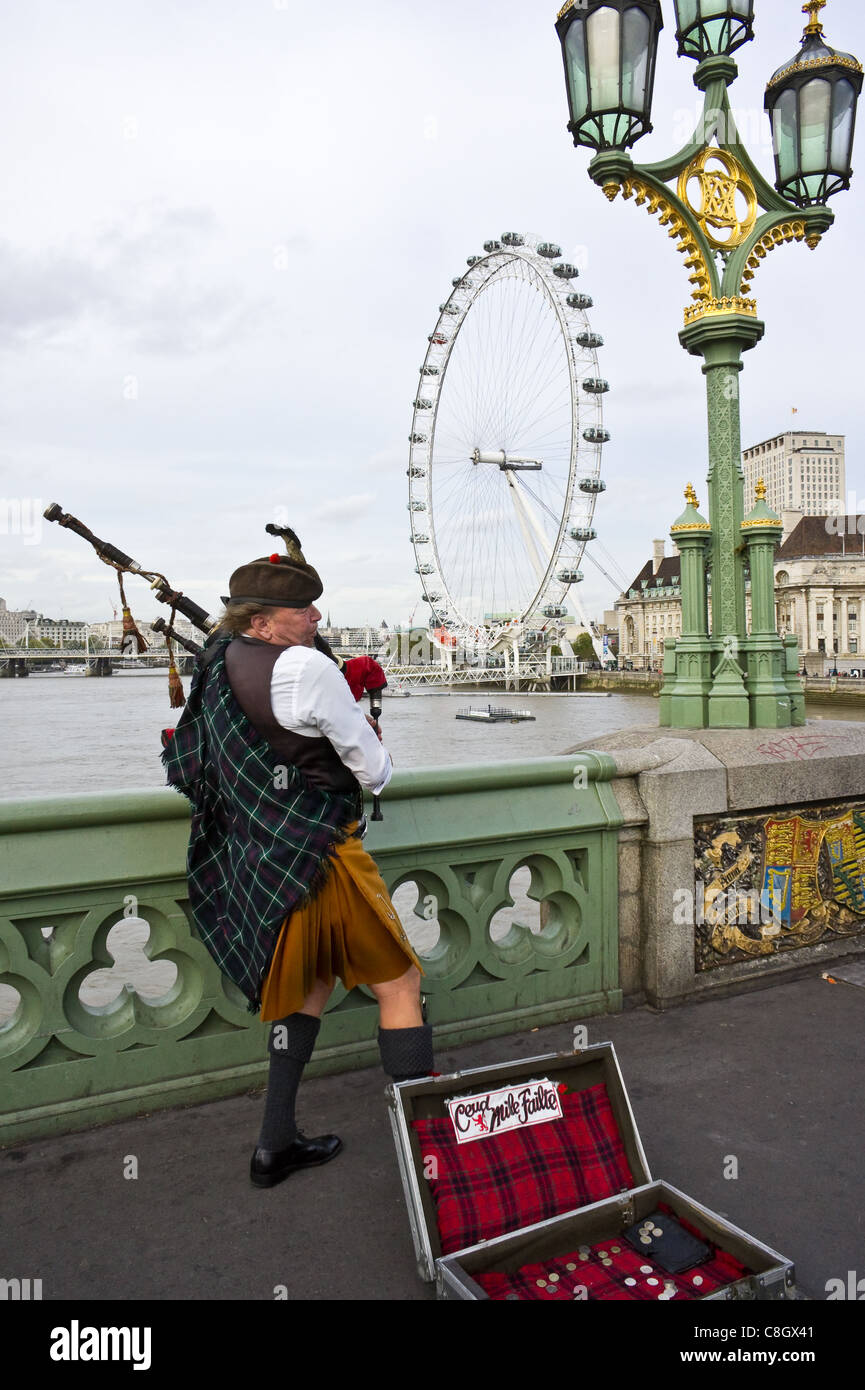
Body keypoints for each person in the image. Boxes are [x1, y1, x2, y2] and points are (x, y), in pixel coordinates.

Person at [162, 532, 433, 1189]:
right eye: (303, 611)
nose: (317, 618)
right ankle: (432, 1147)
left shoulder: (223, 662)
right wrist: (366, 732)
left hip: (263, 856)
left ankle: (273, 1145)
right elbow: (374, 775)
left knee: (305, 992)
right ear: (262, 621)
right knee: (398, 984)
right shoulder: (307, 668)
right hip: (324, 854)